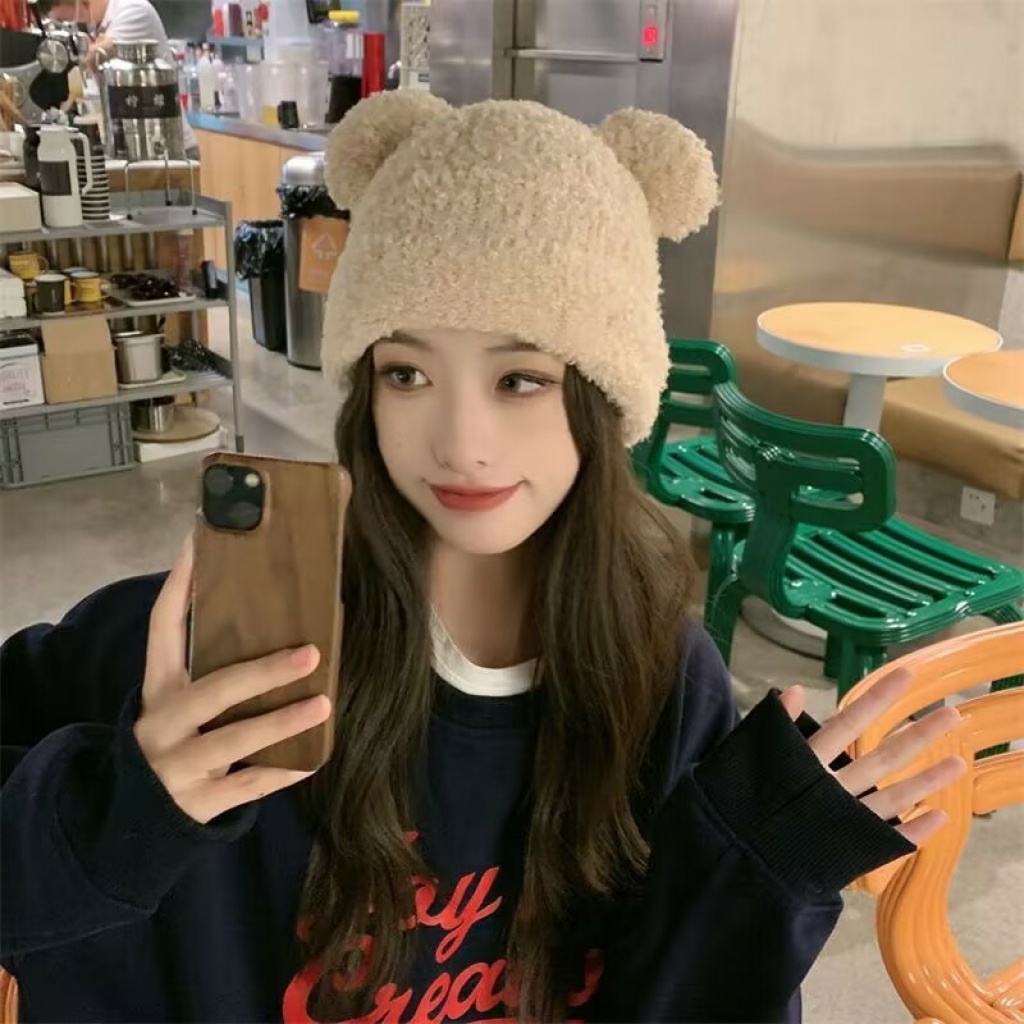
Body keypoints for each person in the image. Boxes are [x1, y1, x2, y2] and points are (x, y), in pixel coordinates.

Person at [0, 92, 966, 1023]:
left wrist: (762, 870)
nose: (462, 443)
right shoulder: (197, 649)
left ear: (602, 399)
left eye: (520, 380)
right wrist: (111, 819)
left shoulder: (662, 682)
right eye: (407, 373)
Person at [43, 0, 200, 159]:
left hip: (168, 150)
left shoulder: (133, 10)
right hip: (133, 149)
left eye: (62, 20)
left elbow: (93, 57)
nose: (65, 27)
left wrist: (92, 52)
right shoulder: (94, 26)